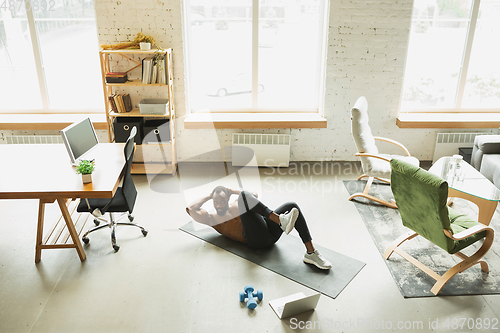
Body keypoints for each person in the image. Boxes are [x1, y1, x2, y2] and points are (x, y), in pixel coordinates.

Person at [186, 186, 332, 270]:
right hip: (256, 241)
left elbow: (253, 195)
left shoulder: (236, 204)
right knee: (244, 196)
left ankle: (311, 253)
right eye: (216, 202)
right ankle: (280, 219)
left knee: (292, 206)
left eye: (222, 201)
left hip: (269, 233)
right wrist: (210, 195)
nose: (219, 205)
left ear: (227, 200)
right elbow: (191, 208)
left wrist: (232, 191)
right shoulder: (212, 219)